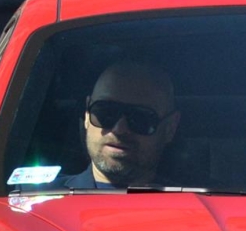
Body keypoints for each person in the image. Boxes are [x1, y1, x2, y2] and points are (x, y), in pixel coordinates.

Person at [61, 61, 180, 189]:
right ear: (87, 114)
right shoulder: (42, 199)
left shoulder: (191, 205)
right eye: (106, 112)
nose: (119, 129)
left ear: (170, 128)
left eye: (140, 118)